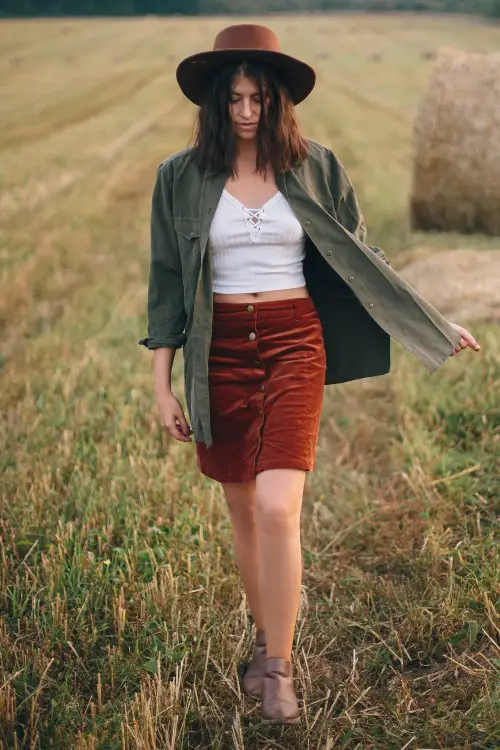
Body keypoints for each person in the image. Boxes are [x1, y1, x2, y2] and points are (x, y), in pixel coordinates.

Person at [139, 24, 481, 726]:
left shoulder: (315, 165)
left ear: (278, 101)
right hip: (218, 349)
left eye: (257, 99)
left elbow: (363, 255)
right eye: (232, 98)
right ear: (212, 101)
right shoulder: (179, 177)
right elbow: (167, 282)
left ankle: (278, 672)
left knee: (276, 507)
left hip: (295, 341)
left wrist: (433, 320)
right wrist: (161, 385)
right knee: (242, 515)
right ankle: (264, 645)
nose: (243, 112)